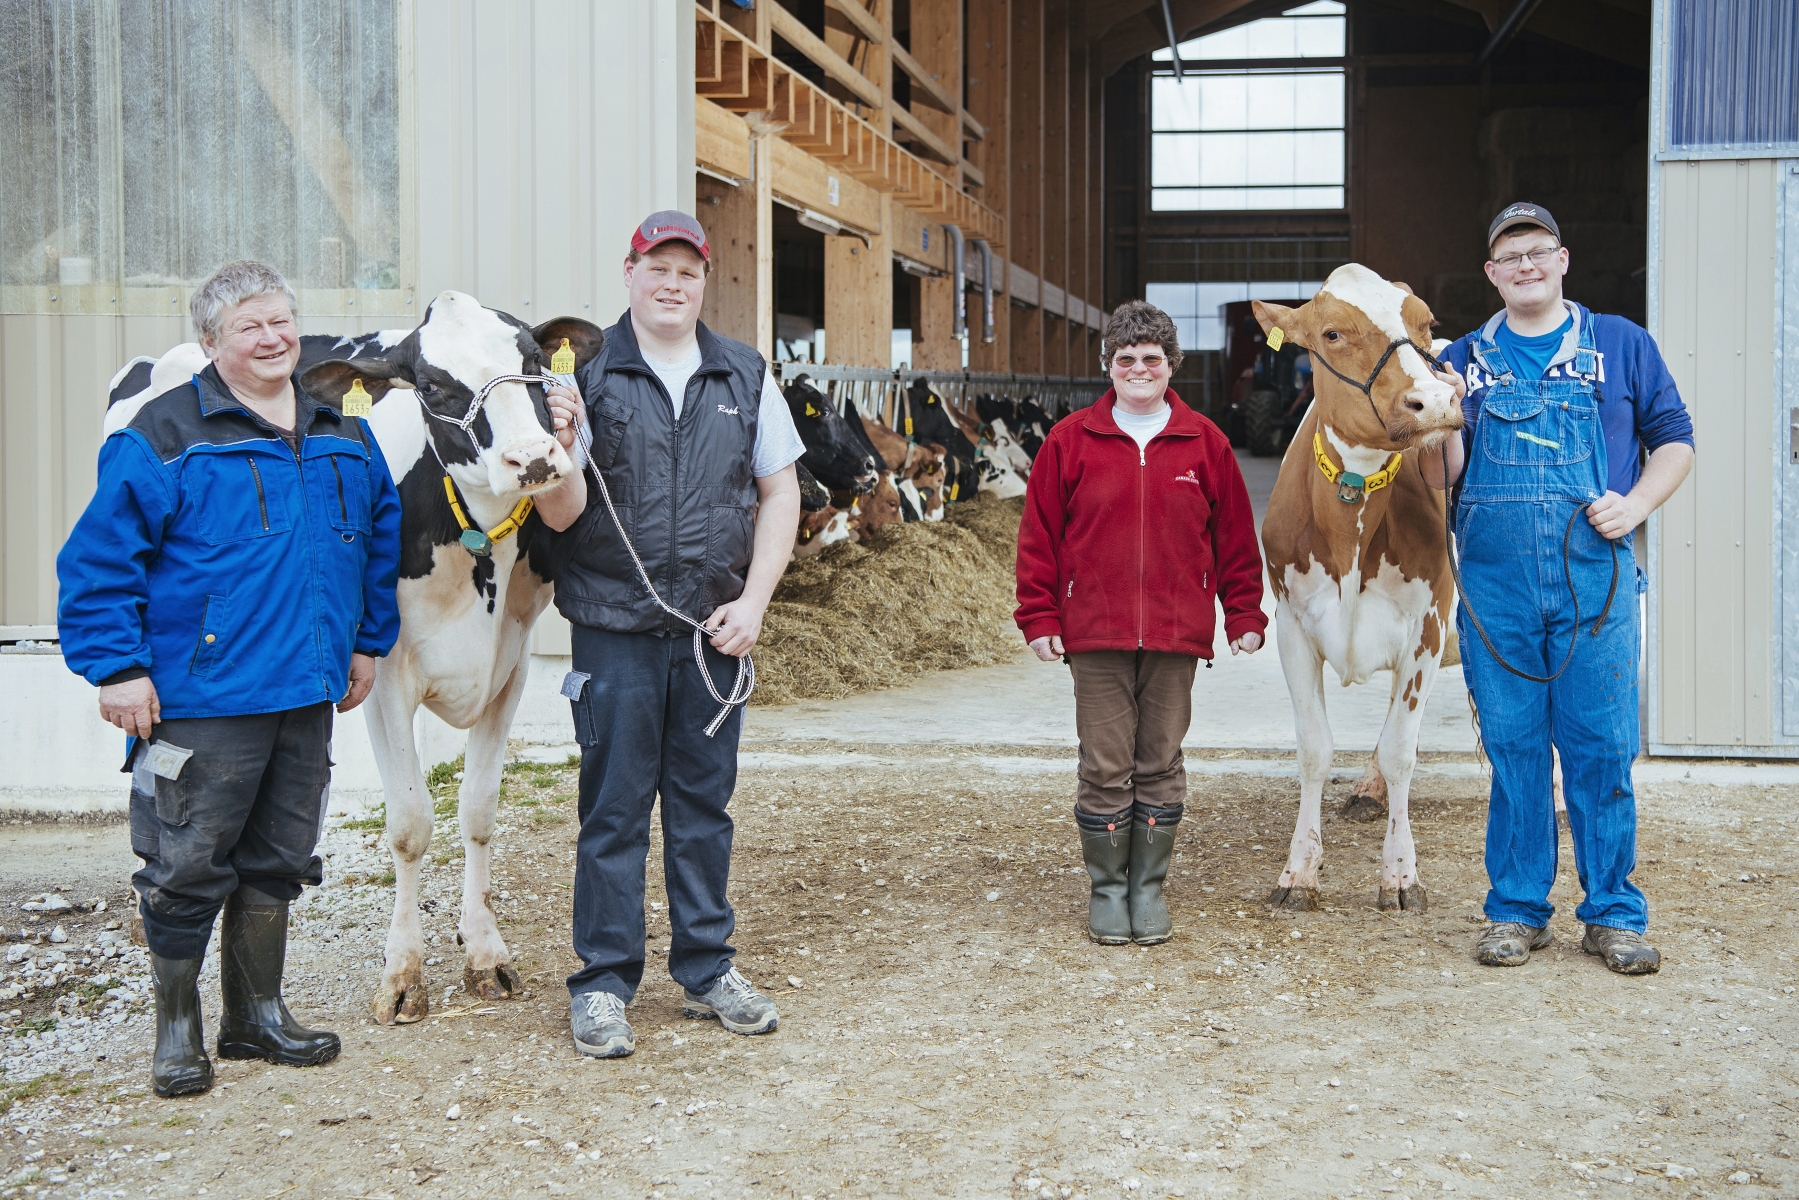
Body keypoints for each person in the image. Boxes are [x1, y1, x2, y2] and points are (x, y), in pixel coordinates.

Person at [56, 259, 402, 1097]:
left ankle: (257, 1016)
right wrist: (118, 668)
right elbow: (99, 561)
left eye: (281, 320)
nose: (272, 337)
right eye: (250, 326)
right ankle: (178, 1035)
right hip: (202, 697)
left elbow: (379, 542)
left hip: (305, 694)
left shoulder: (342, 434)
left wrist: (366, 644)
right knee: (184, 864)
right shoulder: (164, 437)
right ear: (211, 342)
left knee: (278, 860)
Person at [533, 211, 805, 1058]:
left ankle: (706, 967)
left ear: (704, 280)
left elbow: (781, 493)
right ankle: (604, 983)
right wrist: (563, 446)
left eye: (687, 269)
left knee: (701, 808)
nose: (672, 283)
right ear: (629, 272)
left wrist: (754, 603)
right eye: (658, 266)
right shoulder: (588, 376)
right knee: (612, 809)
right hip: (614, 627)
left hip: (710, 631)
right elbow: (564, 513)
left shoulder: (743, 373)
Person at [1423, 203, 1695, 975]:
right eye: (1509, 257)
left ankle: (1611, 912)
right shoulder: (1465, 358)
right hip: (1495, 584)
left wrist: (1636, 504)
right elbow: (1447, 479)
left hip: (1594, 583)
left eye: (1537, 252)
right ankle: (1515, 910)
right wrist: (1443, 416)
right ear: (1491, 273)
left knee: (1599, 751)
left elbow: (1674, 437)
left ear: (1563, 259)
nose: (1525, 266)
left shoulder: (1619, 344)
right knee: (1511, 752)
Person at [1014, 300, 1267, 946]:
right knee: (1104, 763)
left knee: (1159, 758)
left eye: (1150, 359)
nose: (1137, 369)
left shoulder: (1204, 443)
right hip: (1093, 632)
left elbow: (1235, 536)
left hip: (1175, 631)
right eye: (1124, 359)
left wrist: (1243, 611)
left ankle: (1146, 889)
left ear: (1170, 365)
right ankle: (1107, 890)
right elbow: (1037, 536)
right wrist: (1038, 614)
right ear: (1108, 365)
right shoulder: (1070, 440)